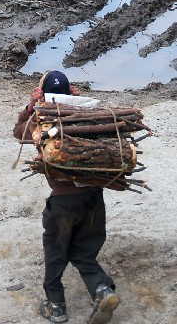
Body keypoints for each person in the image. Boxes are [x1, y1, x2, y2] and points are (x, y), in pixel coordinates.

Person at [13, 70, 120, 324]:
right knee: (83, 252)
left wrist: (29, 108)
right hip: (94, 197)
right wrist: (78, 102)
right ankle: (102, 290)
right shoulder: (88, 116)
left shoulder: (44, 122)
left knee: (56, 252)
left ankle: (56, 306)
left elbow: (18, 132)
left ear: (44, 94)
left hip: (63, 202)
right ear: (69, 92)